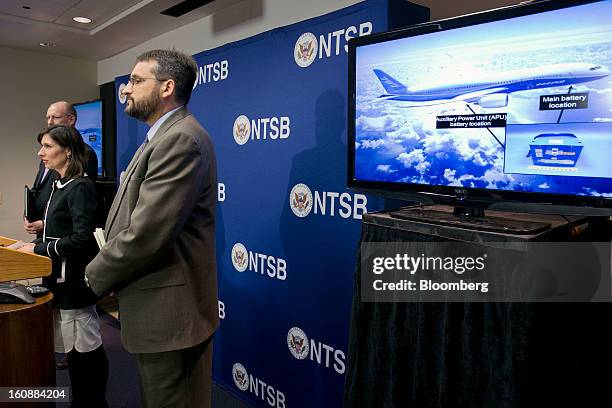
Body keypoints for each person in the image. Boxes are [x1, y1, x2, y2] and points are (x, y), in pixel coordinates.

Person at [85, 49, 219, 407]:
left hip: (171, 317)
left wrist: (92, 276)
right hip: (156, 311)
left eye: (135, 80)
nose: (125, 90)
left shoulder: (179, 139)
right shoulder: (162, 137)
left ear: (167, 87)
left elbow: (147, 233)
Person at [17, 125, 109, 407]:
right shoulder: (60, 184)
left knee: (86, 357)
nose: (40, 152)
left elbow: (82, 239)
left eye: (47, 146)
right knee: (75, 357)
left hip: (74, 285)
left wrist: (38, 248)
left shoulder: (80, 186)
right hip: (58, 282)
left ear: (67, 150)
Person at [25, 101, 98, 238]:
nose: (50, 122)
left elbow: (80, 233)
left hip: (63, 236)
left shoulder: (83, 163)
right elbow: (38, 188)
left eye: (55, 117)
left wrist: (45, 222)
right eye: (48, 117)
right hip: (47, 231)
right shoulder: (56, 178)